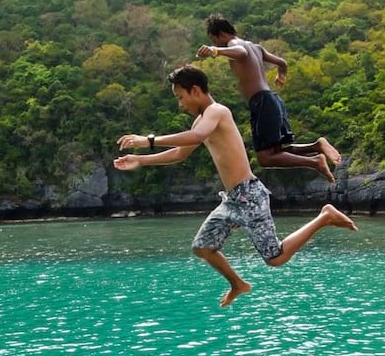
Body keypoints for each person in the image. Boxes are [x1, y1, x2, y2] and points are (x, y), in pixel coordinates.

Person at [114, 65, 358, 307]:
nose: (180, 104)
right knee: (203, 247)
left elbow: (196, 137)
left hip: (249, 195)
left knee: (275, 257)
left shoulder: (217, 111)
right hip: (232, 199)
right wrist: (140, 159)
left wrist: (148, 140)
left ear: (195, 90)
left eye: (180, 97)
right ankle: (238, 284)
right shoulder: (201, 120)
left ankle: (324, 216)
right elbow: (180, 153)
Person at [197, 14, 341, 183]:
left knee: (264, 158)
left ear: (221, 35)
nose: (215, 44)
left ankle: (315, 161)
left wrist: (216, 51)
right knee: (277, 151)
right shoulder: (257, 47)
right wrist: (281, 77)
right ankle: (316, 146)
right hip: (272, 100)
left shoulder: (234, 44)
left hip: (262, 102)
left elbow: (241, 53)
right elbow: (282, 63)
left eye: (214, 40)